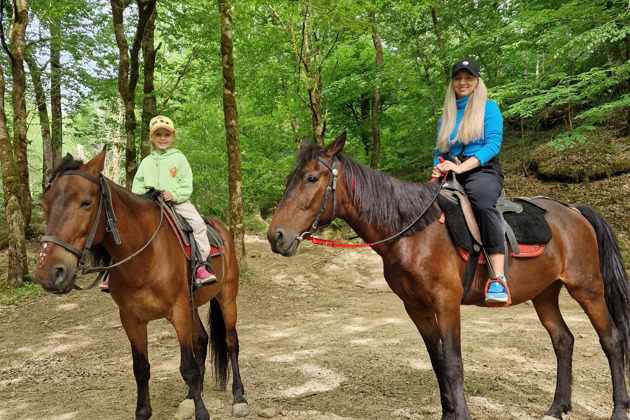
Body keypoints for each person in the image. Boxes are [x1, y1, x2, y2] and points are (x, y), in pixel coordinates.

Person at [100, 115, 216, 290]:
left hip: (177, 203)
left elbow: (186, 185)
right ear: (151, 137)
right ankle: (115, 270)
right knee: (124, 228)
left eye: (167, 135)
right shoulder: (146, 162)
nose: (163, 138)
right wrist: (142, 197)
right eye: (158, 134)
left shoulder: (179, 158)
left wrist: (174, 194)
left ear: (173, 137)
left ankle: (200, 265)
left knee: (198, 225)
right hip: (149, 206)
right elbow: (137, 186)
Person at [431, 59, 508, 304]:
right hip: (450, 171)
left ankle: (498, 278)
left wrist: (461, 167)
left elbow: (493, 145)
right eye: (457, 78)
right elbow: (439, 151)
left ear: (477, 82)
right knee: (424, 205)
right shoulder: (447, 116)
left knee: (482, 203)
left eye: (468, 78)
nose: (462, 83)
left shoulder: (489, 107)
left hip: (481, 170)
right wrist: (438, 166)